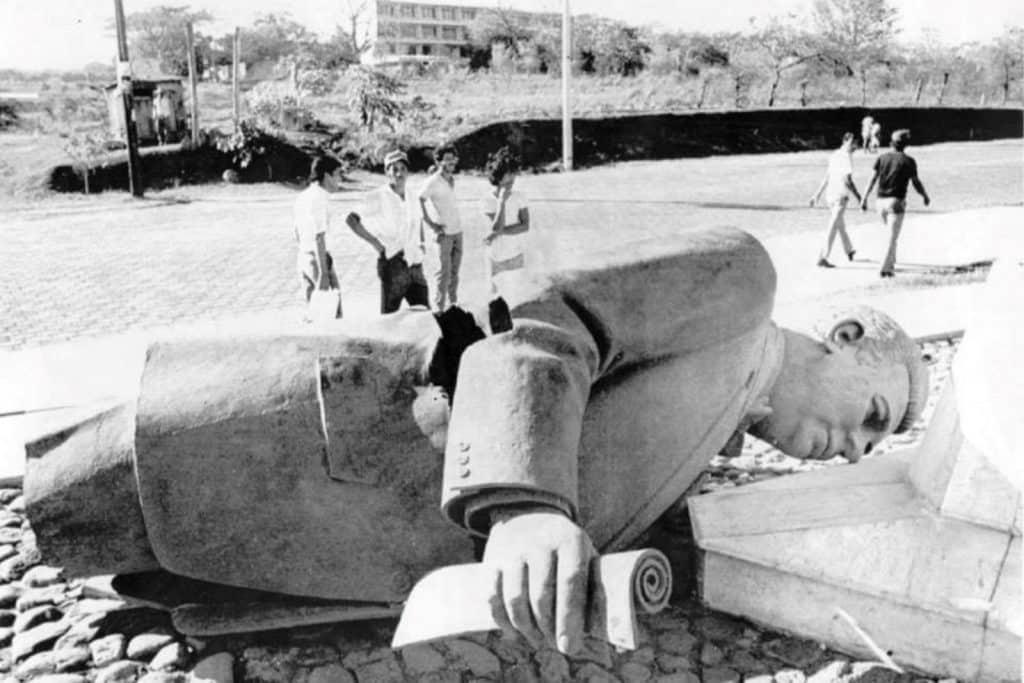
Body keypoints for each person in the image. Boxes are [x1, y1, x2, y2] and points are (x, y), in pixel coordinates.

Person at [24, 228, 927, 649]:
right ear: (846, 338)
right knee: (65, 499)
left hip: (323, 542)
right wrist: (527, 503)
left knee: (102, 548)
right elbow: (549, 318)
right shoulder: (744, 284)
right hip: (312, 441)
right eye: (875, 417)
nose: (854, 449)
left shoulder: (727, 412)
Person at [345, 150, 429, 314]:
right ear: (386, 172)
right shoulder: (377, 196)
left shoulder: (412, 195)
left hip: (415, 264)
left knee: (424, 314)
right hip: (392, 264)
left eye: (403, 169)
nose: (399, 173)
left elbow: (418, 221)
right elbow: (351, 220)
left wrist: (422, 244)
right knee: (389, 320)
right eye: (394, 169)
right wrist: (376, 244)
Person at [861, 129, 931, 278]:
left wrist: (864, 197)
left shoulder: (881, 158)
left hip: (880, 202)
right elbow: (916, 183)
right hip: (896, 201)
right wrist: (924, 195)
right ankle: (885, 269)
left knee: (889, 235)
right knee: (891, 237)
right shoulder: (908, 161)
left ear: (892, 143)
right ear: (905, 145)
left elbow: (872, 179)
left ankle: (891, 262)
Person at [418, 145, 463, 311]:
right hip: (444, 234)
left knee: (455, 273)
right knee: (443, 274)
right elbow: (419, 200)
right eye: (447, 159)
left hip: (458, 231)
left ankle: (454, 307)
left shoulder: (451, 179)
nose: (451, 163)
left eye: (453, 159)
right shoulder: (433, 181)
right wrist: (431, 224)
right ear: (438, 161)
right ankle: (440, 310)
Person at [481, 147, 531, 294]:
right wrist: (501, 202)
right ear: (498, 176)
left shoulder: (520, 196)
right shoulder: (487, 200)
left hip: (516, 256)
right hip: (495, 259)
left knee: (517, 296)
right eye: (508, 175)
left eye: (513, 174)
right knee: (496, 300)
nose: (512, 179)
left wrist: (496, 233)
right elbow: (496, 227)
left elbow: (525, 226)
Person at [294, 156, 342, 307]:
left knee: (313, 312)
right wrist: (323, 273)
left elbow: (296, 232)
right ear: (327, 176)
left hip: (303, 257)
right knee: (332, 313)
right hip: (318, 261)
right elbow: (319, 237)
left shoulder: (303, 196)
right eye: (338, 174)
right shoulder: (319, 199)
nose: (340, 179)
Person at [810, 133, 862, 268]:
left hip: (831, 196)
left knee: (839, 224)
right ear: (844, 142)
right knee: (833, 226)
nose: (854, 146)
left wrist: (817, 195)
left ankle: (849, 249)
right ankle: (823, 257)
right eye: (852, 143)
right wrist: (859, 197)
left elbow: (827, 176)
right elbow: (847, 180)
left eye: (856, 143)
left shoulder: (834, 155)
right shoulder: (846, 157)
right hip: (839, 196)